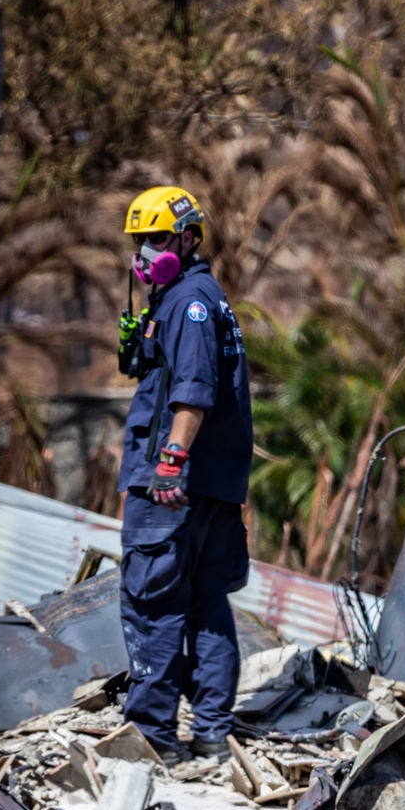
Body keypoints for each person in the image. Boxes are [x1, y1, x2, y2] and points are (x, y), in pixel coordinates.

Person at [117, 185, 253, 761]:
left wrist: (170, 462)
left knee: (152, 602)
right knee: (207, 603)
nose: (145, 252)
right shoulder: (197, 298)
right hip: (215, 484)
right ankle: (213, 735)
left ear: (188, 237)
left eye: (156, 238)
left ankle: (152, 738)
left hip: (173, 483)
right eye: (138, 240)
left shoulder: (188, 304)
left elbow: (193, 392)